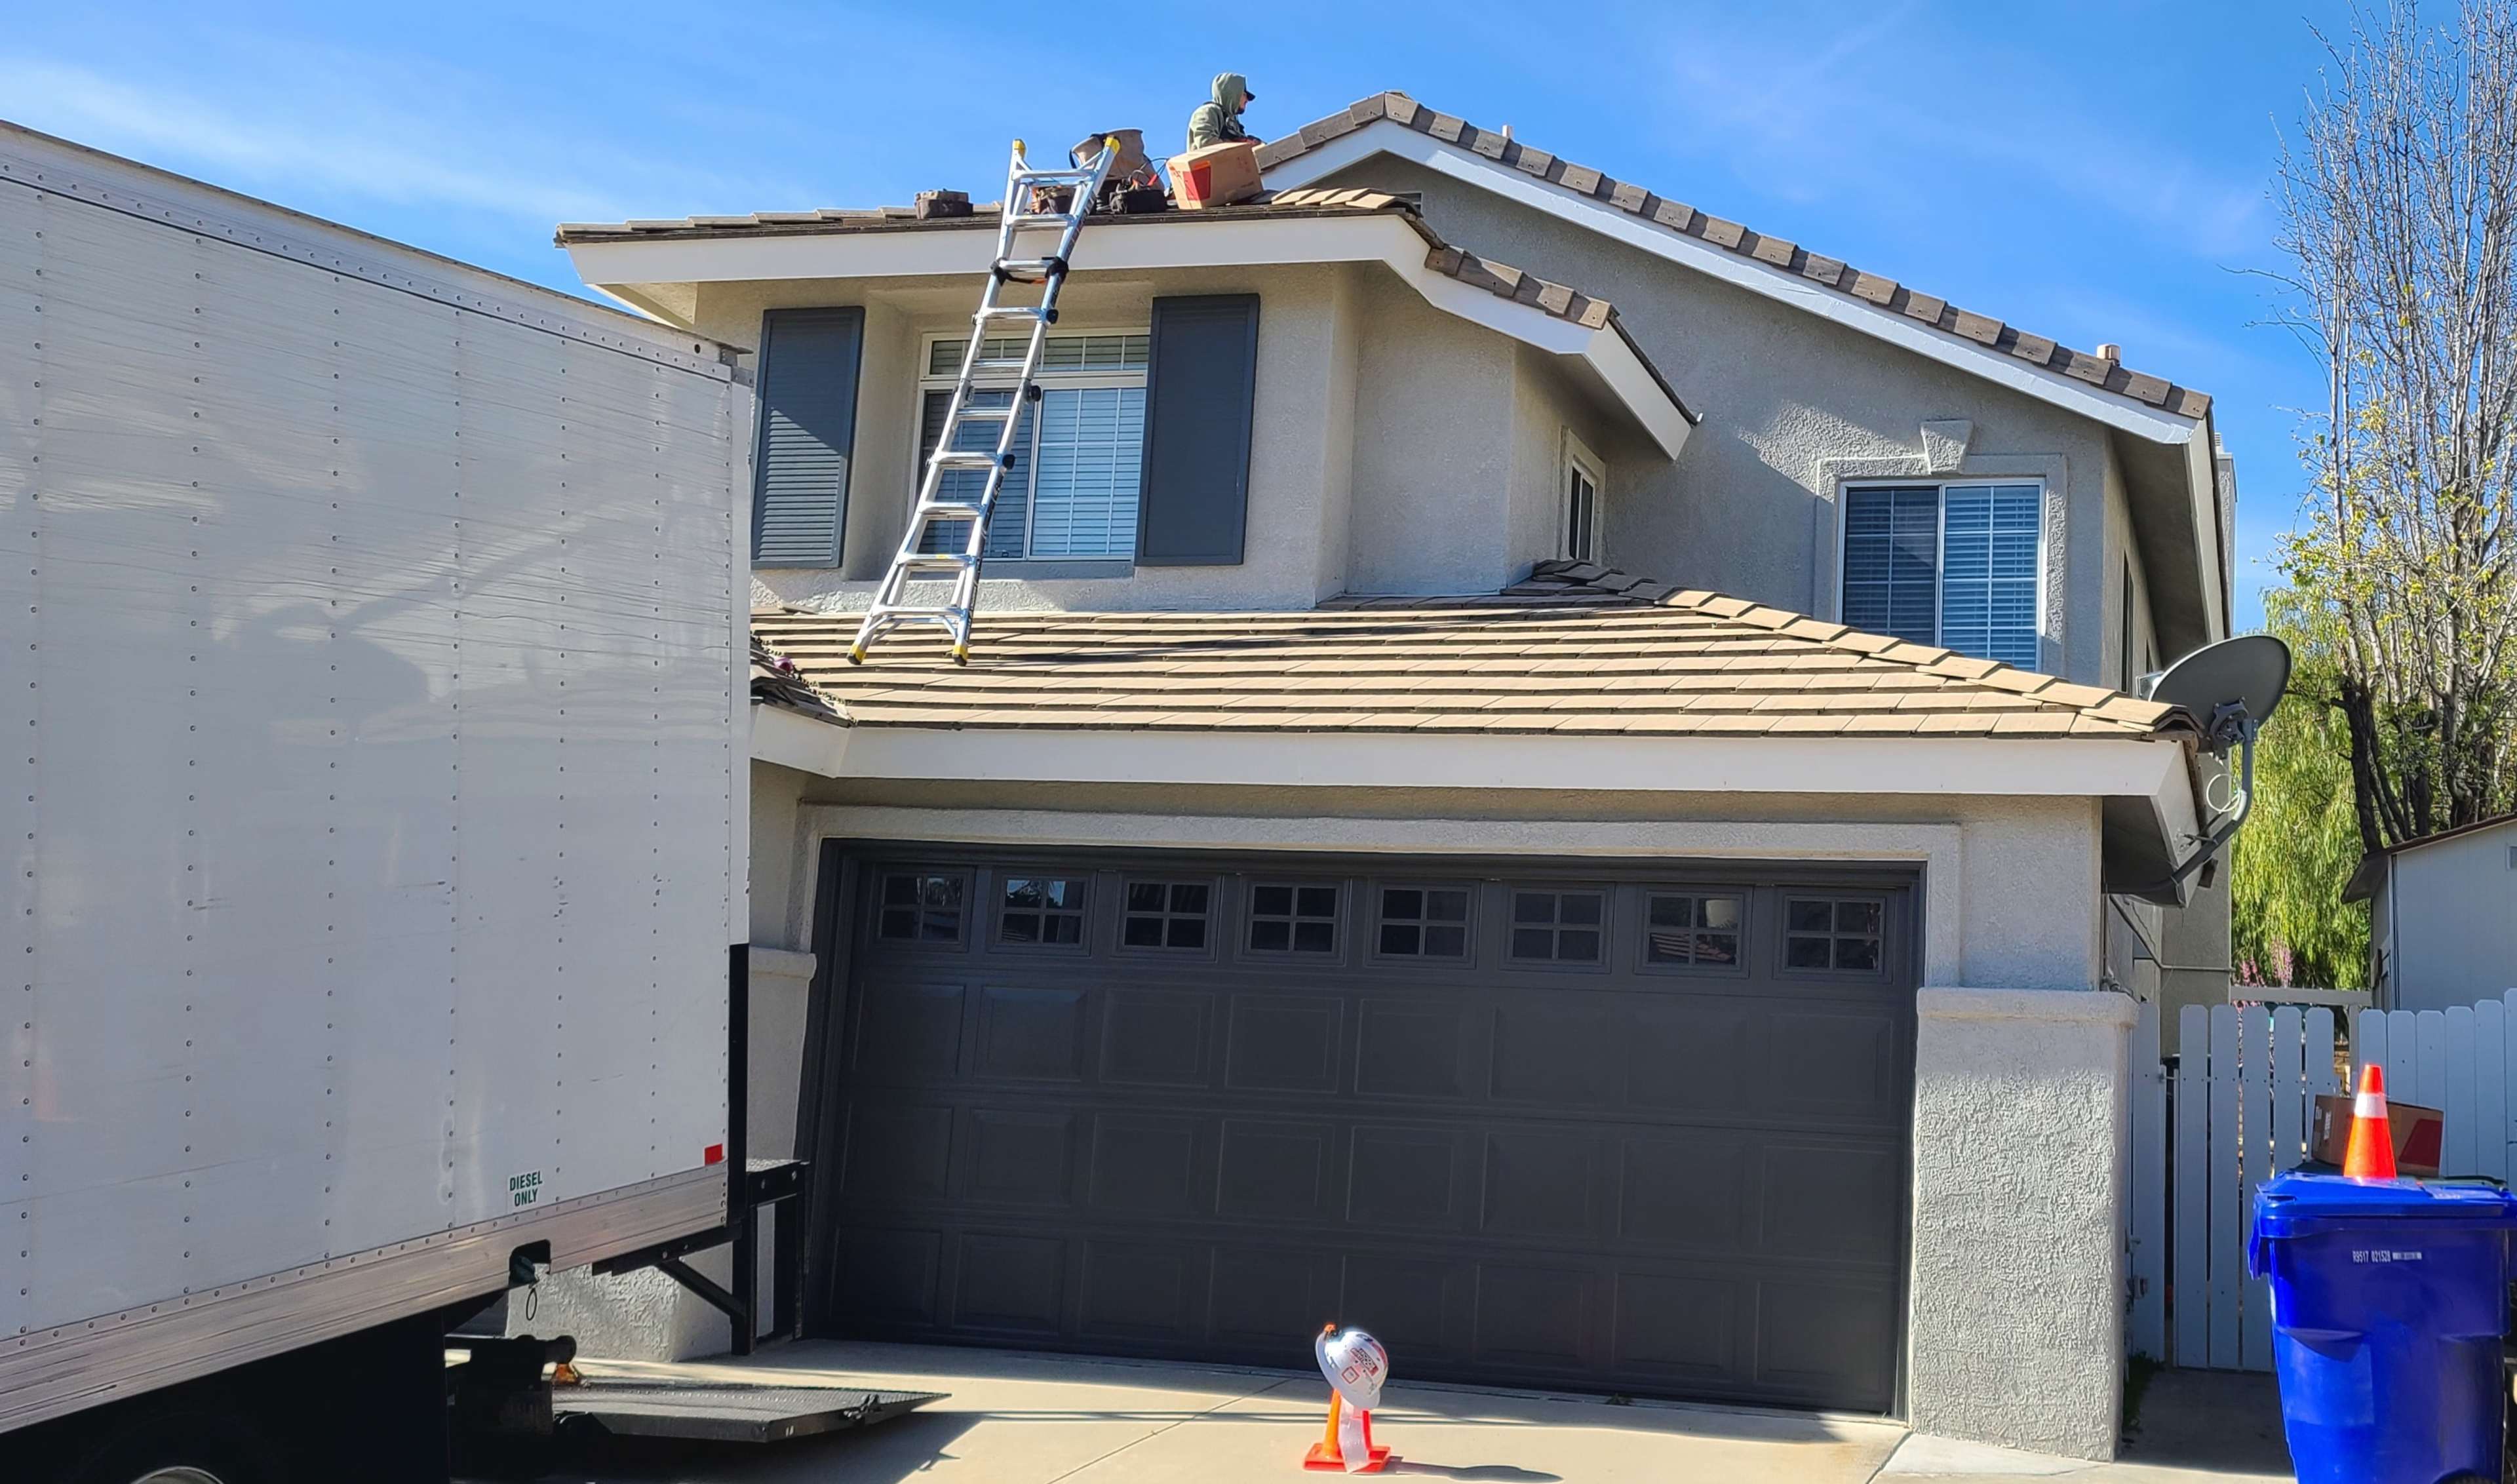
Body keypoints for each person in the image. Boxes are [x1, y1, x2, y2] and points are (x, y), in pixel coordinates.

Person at [1185, 72, 1260, 153]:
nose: (1247, 100)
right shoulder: (1207, 112)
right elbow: (1206, 143)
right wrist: (1242, 146)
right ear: (1232, 94)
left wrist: (1252, 145)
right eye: (1244, 95)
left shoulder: (1233, 123)